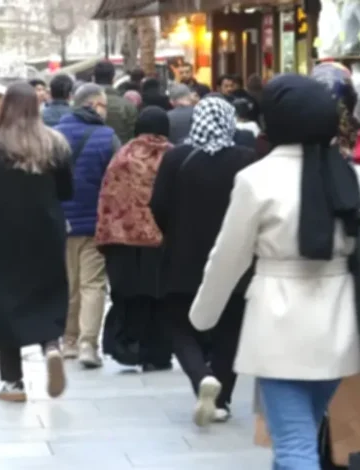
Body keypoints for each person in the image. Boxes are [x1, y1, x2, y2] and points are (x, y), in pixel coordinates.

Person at [189, 73, 360, 467]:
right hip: (338, 325)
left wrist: (203, 315)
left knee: (294, 445)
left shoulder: (256, 179)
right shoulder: (347, 176)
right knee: (301, 432)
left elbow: (228, 256)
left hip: (278, 324)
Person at [150, 96, 257, 427]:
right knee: (230, 326)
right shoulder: (247, 160)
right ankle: (222, 401)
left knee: (179, 323)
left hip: (183, 258)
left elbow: (158, 205)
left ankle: (201, 377)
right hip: (234, 261)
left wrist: (176, 233)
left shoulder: (176, 158)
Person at [0, 81, 72, 402]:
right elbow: (67, 191)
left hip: (2, 233)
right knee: (47, 290)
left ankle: (13, 383)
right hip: (46, 230)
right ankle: (51, 346)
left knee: (4, 300)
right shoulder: (55, 143)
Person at [96, 107, 173, 372]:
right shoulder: (173, 155)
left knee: (129, 296)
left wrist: (106, 235)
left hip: (124, 241)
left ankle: (130, 348)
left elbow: (109, 197)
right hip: (162, 241)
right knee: (160, 298)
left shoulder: (123, 157)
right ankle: (158, 352)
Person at [54, 83, 118, 368]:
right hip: (95, 221)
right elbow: (117, 181)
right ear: (93, 105)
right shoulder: (107, 137)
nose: (107, 112)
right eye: (104, 106)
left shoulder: (54, 136)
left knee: (69, 283)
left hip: (61, 222)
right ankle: (88, 345)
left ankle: (68, 341)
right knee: (93, 284)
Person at [93, 61, 137, 143]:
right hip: (121, 153)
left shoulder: (84, 105)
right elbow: (132, 137)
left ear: (94, 79)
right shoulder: (127, 106)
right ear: (113, 78)